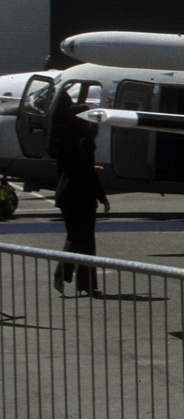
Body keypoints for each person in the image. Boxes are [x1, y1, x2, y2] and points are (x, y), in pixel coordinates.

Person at [50, 94, 109, 295]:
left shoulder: (65, 140)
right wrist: (102, 196)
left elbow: (69, 168)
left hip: (66, 194)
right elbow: (87, 173)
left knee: (75, 236)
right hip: (82, 195)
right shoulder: (85, 142)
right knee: (84, 239)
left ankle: (80, 282)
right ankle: (80, 281)